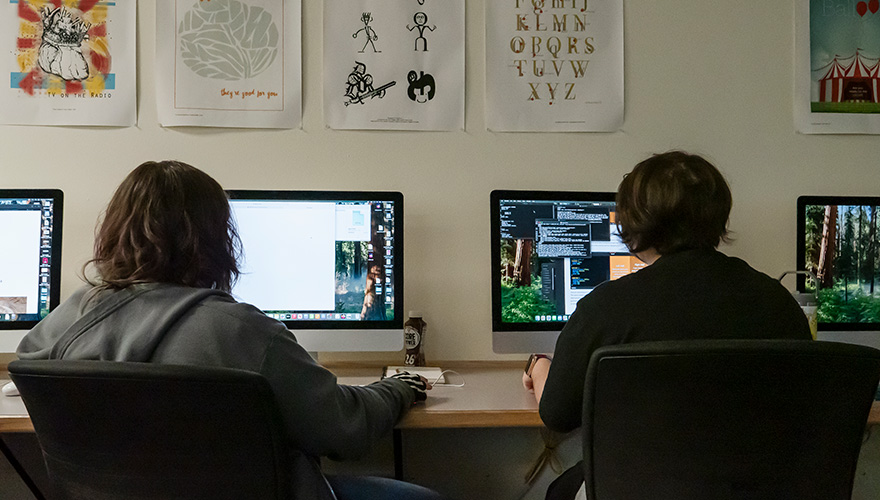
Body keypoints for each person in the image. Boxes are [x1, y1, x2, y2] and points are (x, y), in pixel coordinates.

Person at [17, 160, 446, 500]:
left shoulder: (64, 321)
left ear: (113, 230)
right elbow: (345, 430)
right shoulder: (241, 331)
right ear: (216, 238)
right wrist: (400, 387)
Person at [522, 151, 812, 500]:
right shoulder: (778, 302)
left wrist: (539, 365)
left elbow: (557, 414)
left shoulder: (606, 307)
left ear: (634, 226)